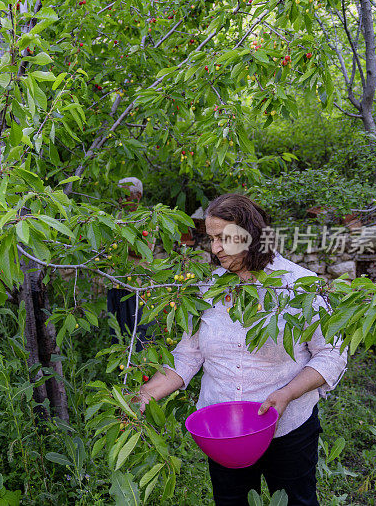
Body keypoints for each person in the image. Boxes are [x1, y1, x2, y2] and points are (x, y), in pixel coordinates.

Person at [136, 193, 347, 506]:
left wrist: (287, 394)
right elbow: (186, 357)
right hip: (223, 432)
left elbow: (332, 353)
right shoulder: (208, 290)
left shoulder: (299, 285)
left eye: (224, 238)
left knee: (295, 501)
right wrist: (144, 396)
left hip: (288, 427)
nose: (215, 248)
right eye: (211, 238)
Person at [107, 177, 155, 351]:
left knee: (137, 334)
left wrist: (117, 239)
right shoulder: (116, 217)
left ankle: (139, 370)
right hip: (115, 283)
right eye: (119, 196)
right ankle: (120, 372)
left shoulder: (147, 219)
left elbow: (143, 250)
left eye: (125, 196)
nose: (121, 200)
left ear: (138, 196)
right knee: (117, 334)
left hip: (135, 287)